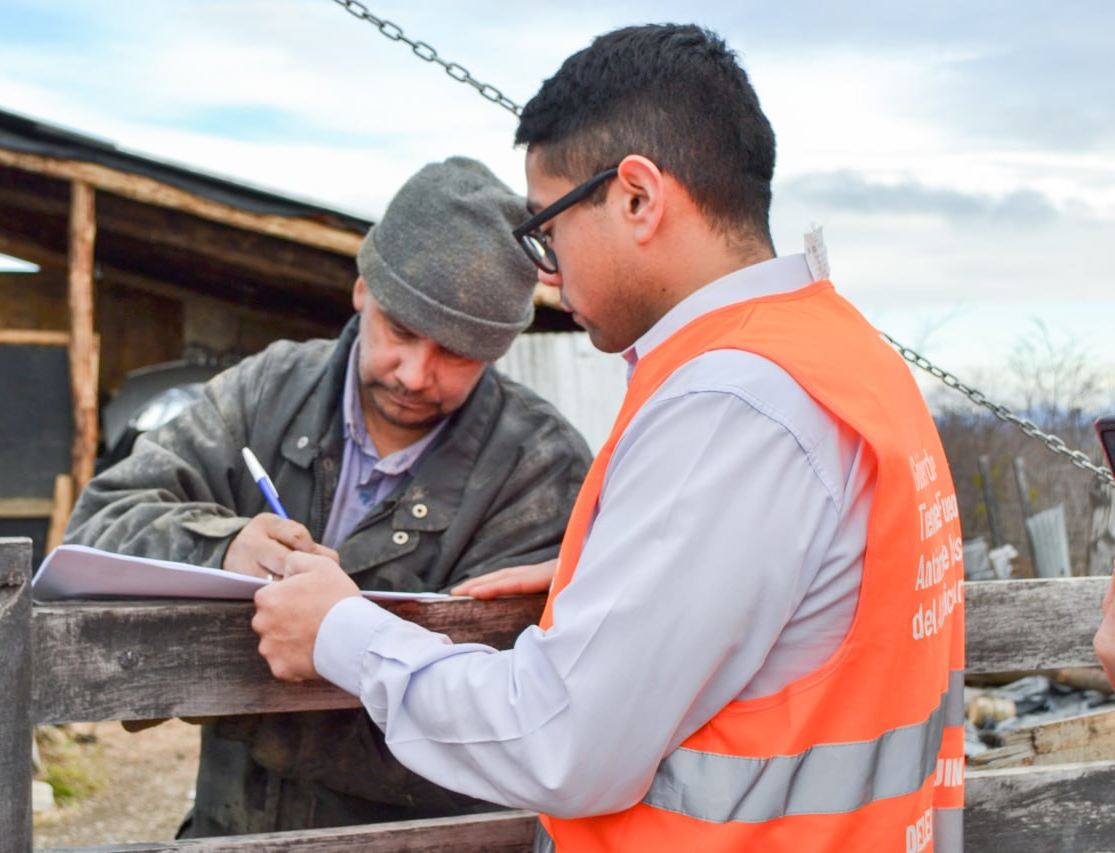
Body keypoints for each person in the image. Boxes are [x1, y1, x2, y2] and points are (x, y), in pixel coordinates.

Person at [252, 23, 966, 852]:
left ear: (638, 197)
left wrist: (341, 632)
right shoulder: (841, 354)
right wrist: (630, 576)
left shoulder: (731, 404)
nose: (548, 271)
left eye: (547, 227)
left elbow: (561, 741)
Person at [64, 156, 591, 837]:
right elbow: (97, 525)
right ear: (361, 289)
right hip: (234, 832)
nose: (415, 373)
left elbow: (502, 727)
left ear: (498, 348)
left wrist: (249, 678)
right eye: (401, 330)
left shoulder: (541, 470)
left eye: (458, 352)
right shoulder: (266, 389)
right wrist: (222, 548)